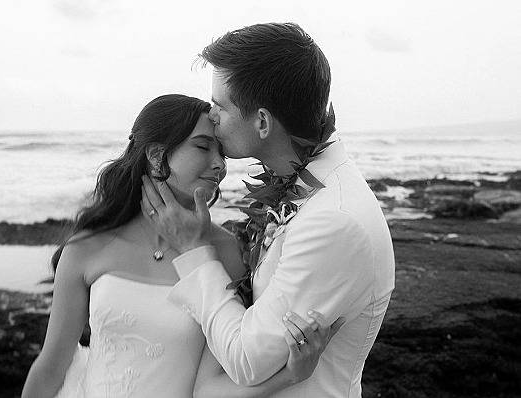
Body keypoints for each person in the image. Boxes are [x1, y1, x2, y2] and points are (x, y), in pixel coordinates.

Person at [21, 94, 343, 398]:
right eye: (203, 147)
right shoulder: (88, 248)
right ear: (157, 155)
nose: (219, 164)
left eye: (222, 152)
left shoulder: (226, 251)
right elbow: (50, 367)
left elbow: (212, 387)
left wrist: (292, 373)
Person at [141, 23, 396, 397]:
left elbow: (247, 359)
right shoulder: (305, 188)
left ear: (262, 121)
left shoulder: (333, 220)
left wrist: (194, 252)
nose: (210, 116)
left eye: (219, 105)